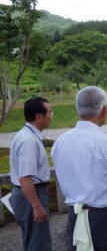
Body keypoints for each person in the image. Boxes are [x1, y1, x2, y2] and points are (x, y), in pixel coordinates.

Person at [51, 86, 107, 251]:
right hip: (103, 216)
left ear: (78, 110)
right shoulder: (106, 142)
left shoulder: (60, 141)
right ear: (104, 110)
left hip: (75, 213)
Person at [9, 97, 53, 251]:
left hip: (28, 194)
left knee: (33, 240)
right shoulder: (28, 141)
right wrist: (36, 205)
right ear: (39, 116)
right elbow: (25, 177)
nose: (52, 116)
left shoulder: (28, 135)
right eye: (49, 112)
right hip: (31, 195)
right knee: (39, 244)